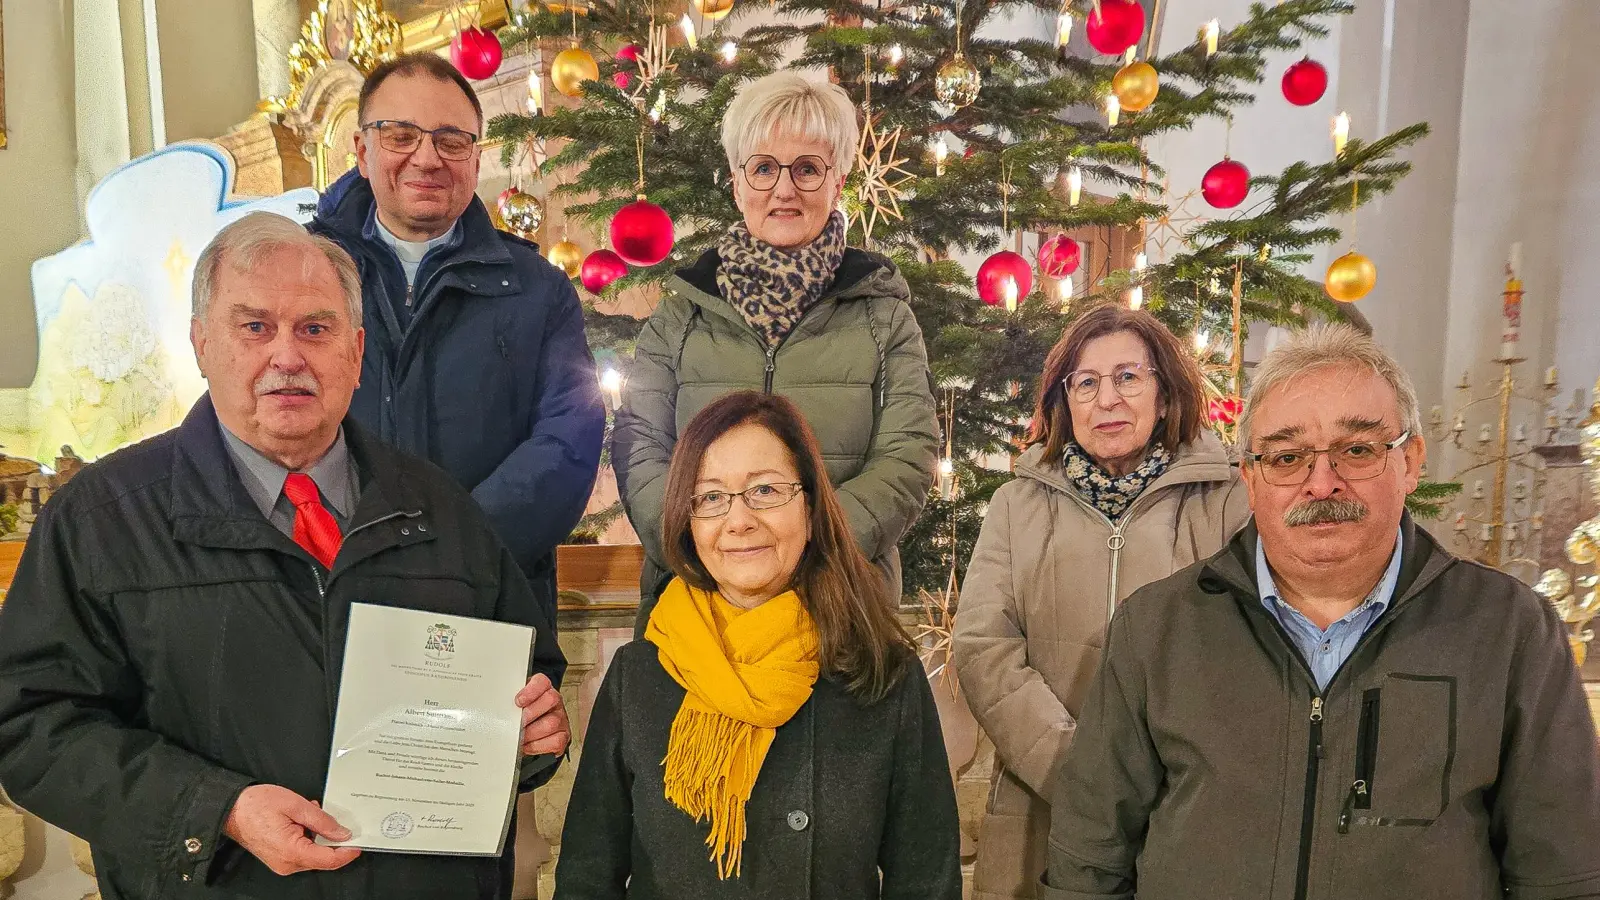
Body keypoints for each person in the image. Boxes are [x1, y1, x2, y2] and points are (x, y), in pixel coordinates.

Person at [0, 214, 570, 899]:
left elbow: (527, 673)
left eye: (315, 329)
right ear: (202, 343)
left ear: (356, 353)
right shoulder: (100, 522)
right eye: (255, 327)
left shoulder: (442, 511)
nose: (288, 356)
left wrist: (536, 732)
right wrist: (219, 811)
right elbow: (31, 727)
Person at [1044, 323, 1600, 899]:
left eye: (1357, 450)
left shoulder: (1510, 632)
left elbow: (1562, 873)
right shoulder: (1156, 629)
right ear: (1251, 480)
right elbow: (1090, 858)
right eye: (1286, 457)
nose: (1322, 482)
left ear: (1410, 461)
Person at [557, 391, 960, 899]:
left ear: (810, 510)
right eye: (710, 497)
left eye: (765, 490)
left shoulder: (882, 674)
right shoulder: (639, 675)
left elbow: (926, 881)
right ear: (689, 524)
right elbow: (586, 878)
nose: (739, 519)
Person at [612, 71, 939, 635]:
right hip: (694, 603)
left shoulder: (884, 315)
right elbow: (639, 444)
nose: (784, 189)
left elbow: (907, 457)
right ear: (738, 185)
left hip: (840, 606)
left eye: (807, 168)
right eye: (764, 167)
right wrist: (705, 549)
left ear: (836, 182)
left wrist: (808, 550)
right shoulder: (681, 313)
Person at [952, 303, 1249, 899]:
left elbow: (1248, 649)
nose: (1106, 399)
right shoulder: (1017, 504)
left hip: (1184, 804)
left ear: (1164, 395)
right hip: (1044, 797)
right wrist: (1083, 775)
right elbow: (984, 647)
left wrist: (1159, 780)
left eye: (1128, 377)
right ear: (1065, 402)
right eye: (1085, 383)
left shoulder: (1227, 501)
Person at [310, 52, 604, 623]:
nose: (427, 158)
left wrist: (453, 558)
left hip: (492, 599)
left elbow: (569, 440)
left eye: (450, 140)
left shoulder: (537, 290)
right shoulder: (305, 277)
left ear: (474, 156)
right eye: (400, 135)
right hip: (329, 597)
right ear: (361, 149)